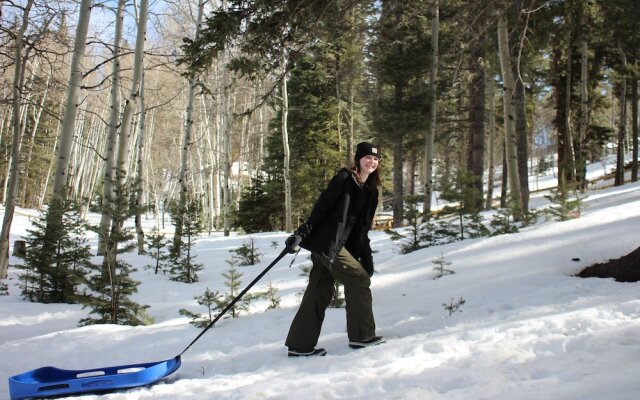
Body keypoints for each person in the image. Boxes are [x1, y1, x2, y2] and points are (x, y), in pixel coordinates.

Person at [284, 142, 385, 357]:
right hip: (328, 244)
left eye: (376, 159)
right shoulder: (344, 179)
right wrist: (304, 230)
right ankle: (362, 336)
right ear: (358, 159)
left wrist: (366, 257)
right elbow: (323, 206)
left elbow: (362, 230)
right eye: (367, 157)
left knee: (319, 290)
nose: (372, 162)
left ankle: (300, 345)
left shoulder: (371, 192)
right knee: (358, 280)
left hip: (336, 246)